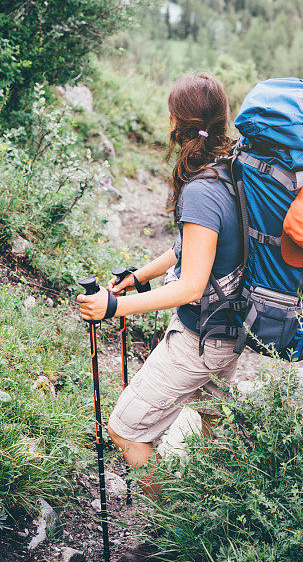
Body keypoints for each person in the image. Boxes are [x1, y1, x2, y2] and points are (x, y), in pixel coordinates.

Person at [77, 72, 243, 497]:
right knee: (213, 421)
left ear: (178, 122)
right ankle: (218, 508)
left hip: (201, 335)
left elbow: (190, 286)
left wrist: (113, 308)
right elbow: (194, 248)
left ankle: (178, 526)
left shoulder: (204, 189)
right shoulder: (231, 167)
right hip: (230, 324)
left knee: (125, 430)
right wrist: (138, 277)